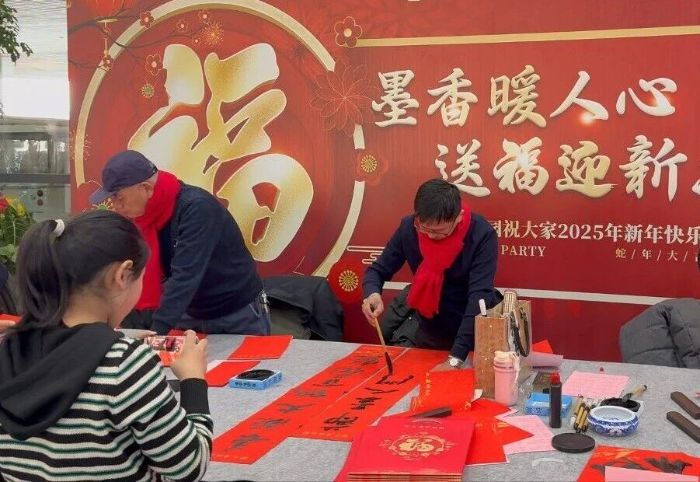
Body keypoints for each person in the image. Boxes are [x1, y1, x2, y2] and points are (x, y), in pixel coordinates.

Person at [0, 211, 212, 481]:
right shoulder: (126, 364)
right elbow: (189, 466)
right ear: (122, 275)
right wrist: (193, 380)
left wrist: (111, 342)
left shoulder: (9, 350)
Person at [90, 150, 270, 336]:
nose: (116, 206)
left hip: (235, 311)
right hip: (187, 310)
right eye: (112, 199)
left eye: (119, 197)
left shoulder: (197, 209)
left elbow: (186, 275)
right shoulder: (143, 217)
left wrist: (156, 333)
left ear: (146, 188)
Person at [361, 179, 502, 370]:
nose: (430, 236)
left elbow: (479, 298)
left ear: (458, 217)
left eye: (439, 231)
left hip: (473, 331)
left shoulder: (481, 234)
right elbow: (377, 270)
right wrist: (372, 293)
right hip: (430, 327)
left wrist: (456, 359)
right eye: (425, 229)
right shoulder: (409, 228)